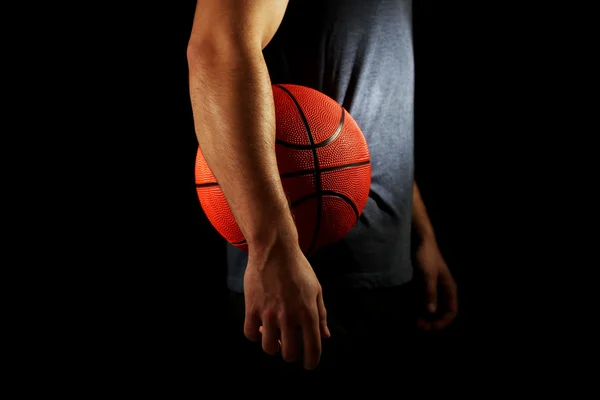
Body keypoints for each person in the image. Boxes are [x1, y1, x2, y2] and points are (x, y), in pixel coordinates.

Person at [187, 0, 458, 370]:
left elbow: (371, 92)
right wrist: (272, 248)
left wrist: (419, 232)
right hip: (299, 282)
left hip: (388, 267)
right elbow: (216, 50)